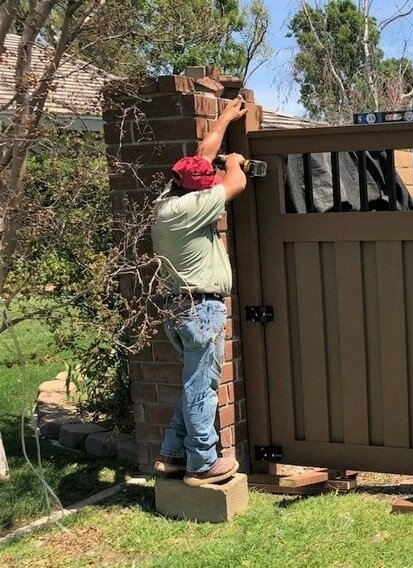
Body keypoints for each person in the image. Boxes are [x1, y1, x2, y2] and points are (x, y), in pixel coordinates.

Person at [150, 97, 248, 486]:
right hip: (200, 310)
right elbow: (236, 182)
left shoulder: (168, 199)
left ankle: (173, 454)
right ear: (200, 190)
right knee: (201, 386)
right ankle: (202, 464)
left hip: (177, 308)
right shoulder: (192, 207)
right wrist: (235, 162)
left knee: (196, 382)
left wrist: (224, 118)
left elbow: (199, 157)